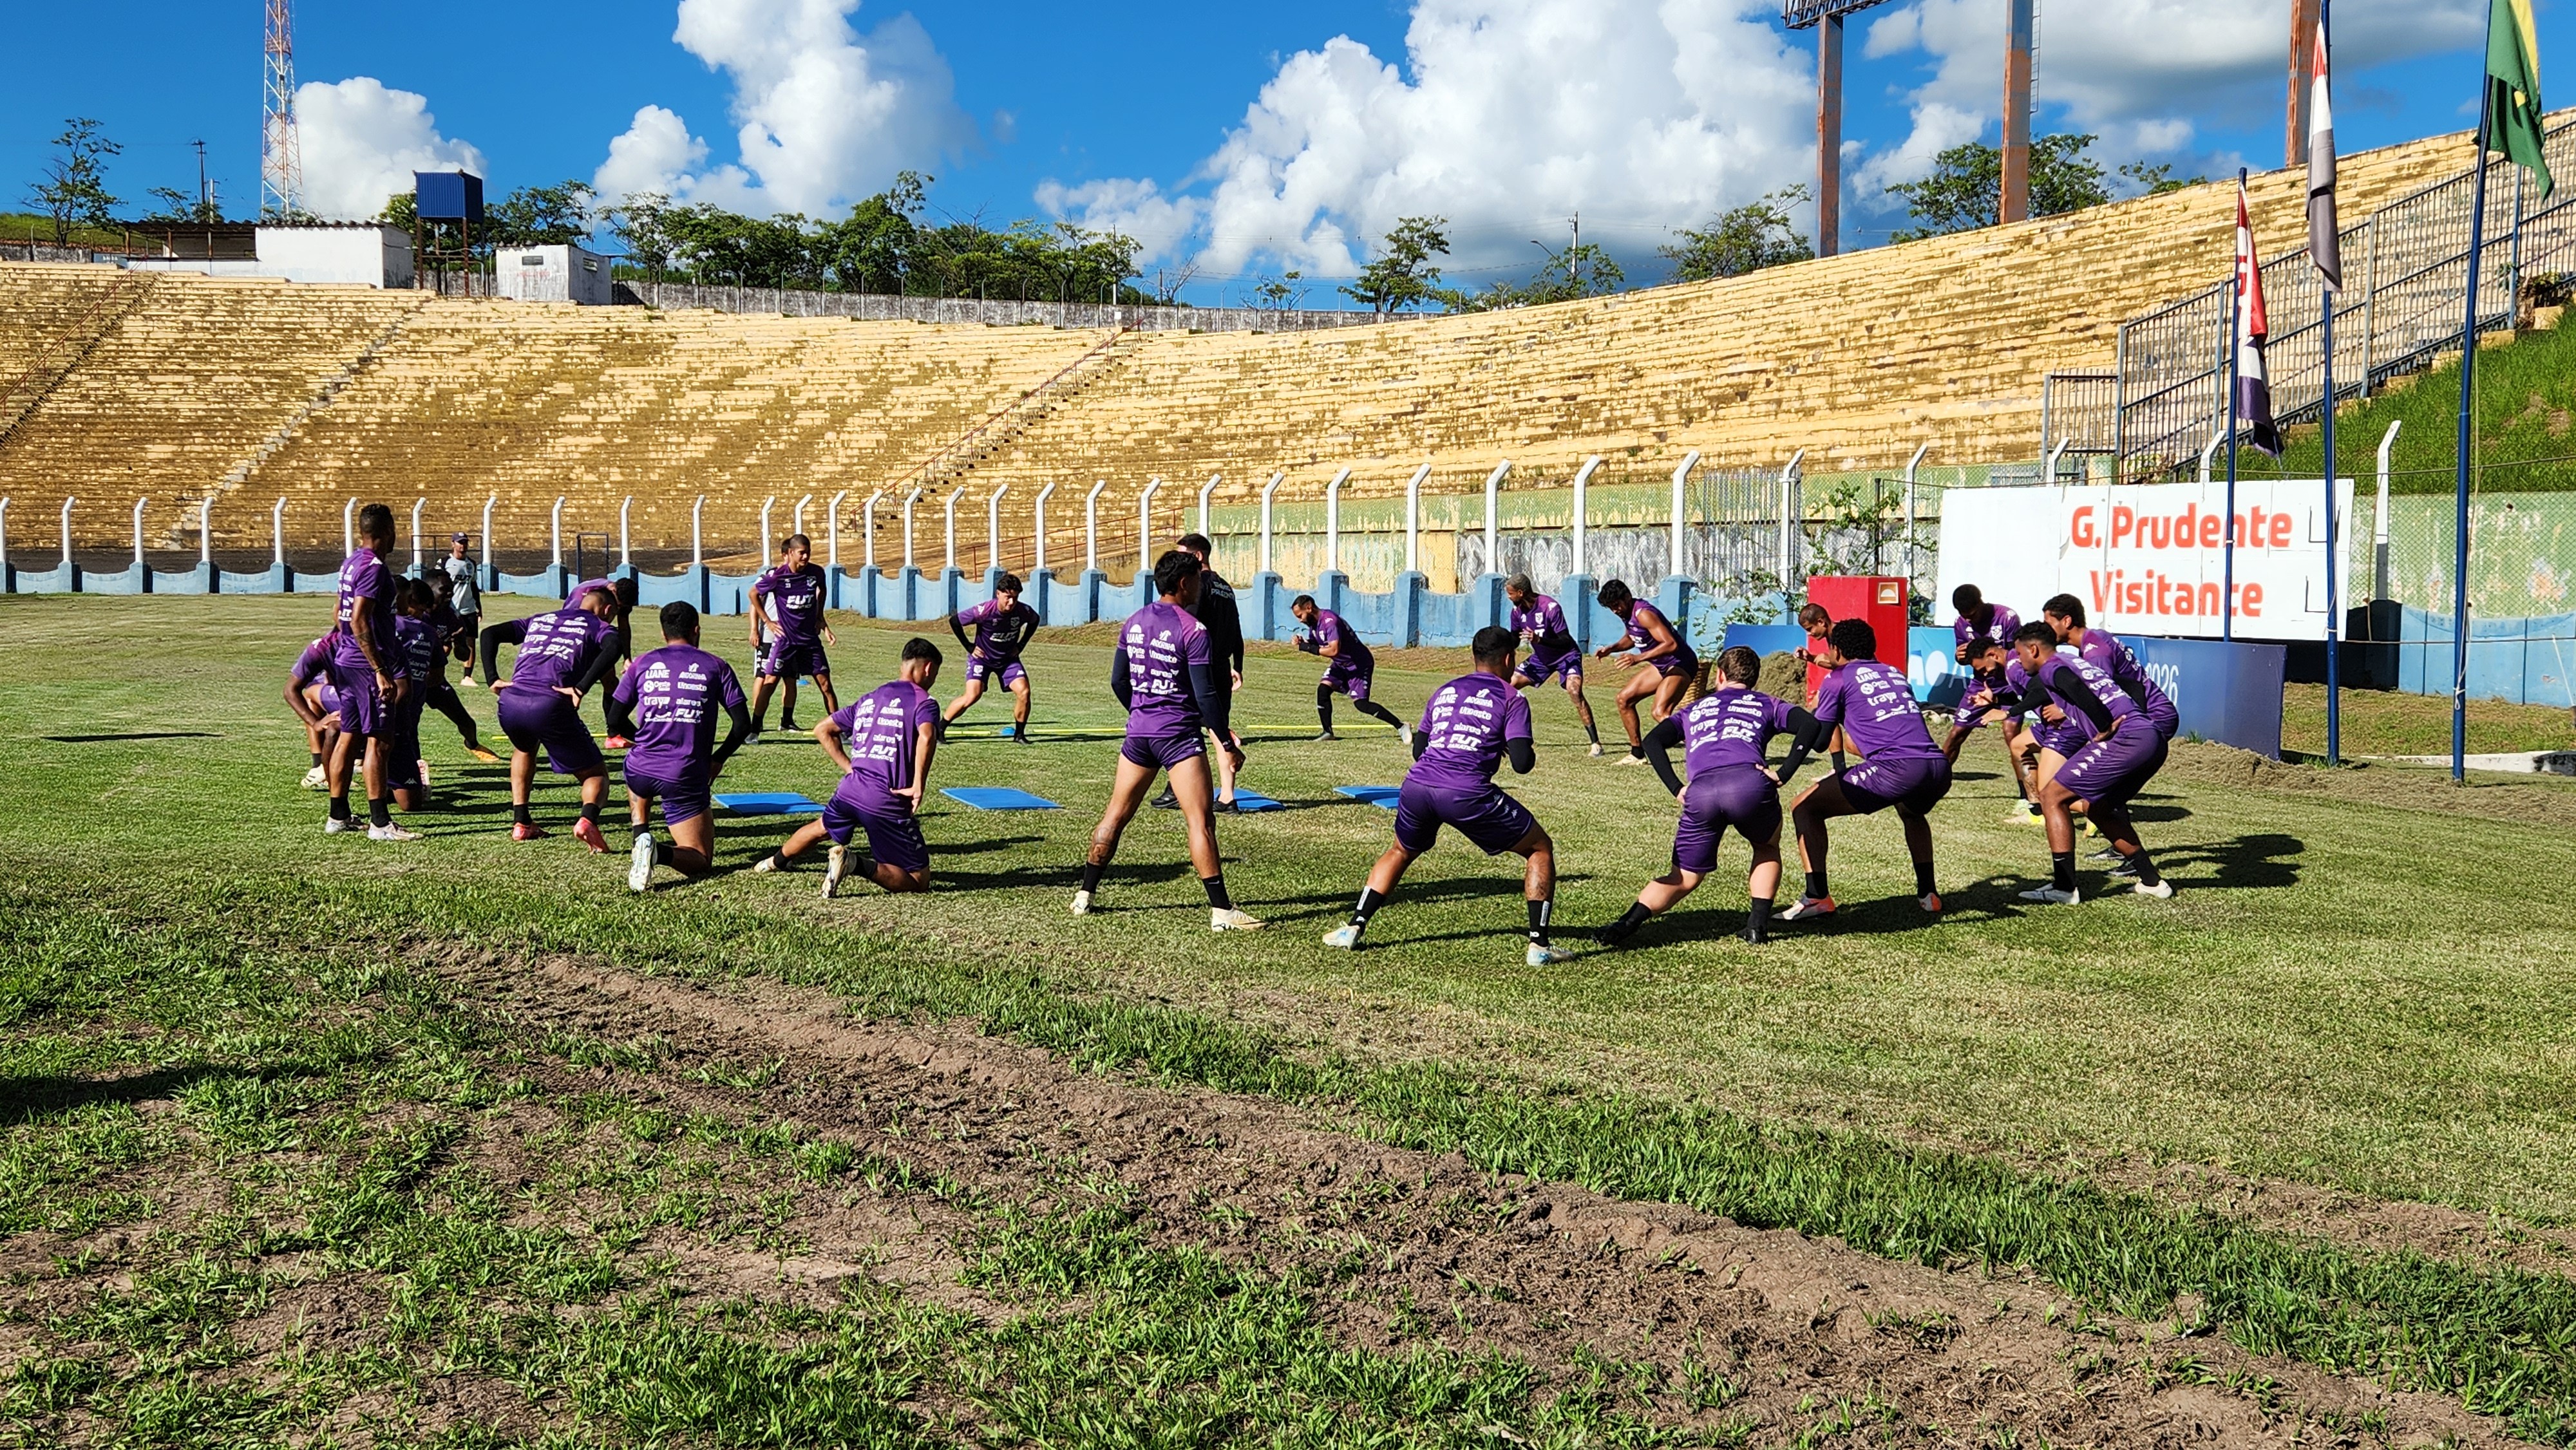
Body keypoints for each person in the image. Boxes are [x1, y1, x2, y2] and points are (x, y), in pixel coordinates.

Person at [1321, 626, 1564, 965]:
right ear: (1509, 659)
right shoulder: (1512, 697)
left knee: (1400, 850)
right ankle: (1539, 946)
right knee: (1539, 848)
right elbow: (1523, 764)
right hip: (1466, 791)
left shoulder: (1445, 690)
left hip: (1418, 786)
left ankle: (1353, 927)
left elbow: (1420, 748)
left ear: (1475, 657)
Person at [1074, 551, 1262, 929]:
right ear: (1183, 583)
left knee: (1115, 814)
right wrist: (1226, 742)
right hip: (1177, 736)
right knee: (1200, 821)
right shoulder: (1193, 629)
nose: (1199, 586)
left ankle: (1085, 895)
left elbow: (1118, 681)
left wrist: (1142, 710)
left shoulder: (1133, 622)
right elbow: (1206, 695)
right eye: (1196, 579)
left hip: (1139, 734)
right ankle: (1222, 911)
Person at [1598, 646, 1823, 948]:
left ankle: (1626, 924)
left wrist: (1677, 787)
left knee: (1684, 877)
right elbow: (1810, 725)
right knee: (1766, 847)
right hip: (1750, 785)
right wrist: (1783, 773)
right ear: (1754, 679)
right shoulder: (1766, 703)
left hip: (1701, 791)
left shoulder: (1695, 708)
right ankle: (1756, 927)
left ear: (1719, 675)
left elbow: (1653, 741)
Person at [1779, 618, 1951, 920]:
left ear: (1836, 650)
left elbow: (1820, 742)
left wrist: (1801, 719)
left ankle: (1817, 897)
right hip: (1937, 766)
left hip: (1898, 768)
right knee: (1911, 812)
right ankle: (1929, 894)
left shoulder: (1838, 678)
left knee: (1804, 807)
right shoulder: (1894, 673)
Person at [755, 639, 944, 896]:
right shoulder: (925, 702)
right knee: (918, 880)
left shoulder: (871, 697)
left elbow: (823, 729)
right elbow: (927, 736)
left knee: (821, 827)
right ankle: (854, 863)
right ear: (929, 668)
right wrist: (918, 785)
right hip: (886, 797)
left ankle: (772, 863)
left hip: (850, 790)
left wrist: (850, 768)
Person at [2009, 623, 2174, 903]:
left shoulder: (2052, 667)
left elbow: (2069, 684)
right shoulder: (2073, 660)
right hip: (2152, 739)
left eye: (2019, 654)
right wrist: (2010, 711)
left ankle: (2064, 888)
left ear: (2033, 649)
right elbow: (2128, 684)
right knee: (2098, 808)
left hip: (2127, 739)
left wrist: (2103, 726)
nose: (2019, 660)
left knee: (2051, 796)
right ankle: (2153, 882)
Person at [613, 601, 753, 891]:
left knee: (637, 763)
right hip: (683, 773)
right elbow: (742, 725)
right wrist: (719, 758)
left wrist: (643, 740)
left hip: (640, 770)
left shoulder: (642, 663)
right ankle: (655, 851)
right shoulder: (716, 665)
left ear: (663, 633)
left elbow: (614, 718)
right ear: (696, 630)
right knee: (701, 860)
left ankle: (640, 835)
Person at [481, 581, 624, 849]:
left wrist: (492, 678)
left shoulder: (542, 618)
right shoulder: (598, 626)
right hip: (551, 703)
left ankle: (522, 822)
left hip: (511, 701)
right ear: (606, 609)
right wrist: (581, 687)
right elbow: (614, 647)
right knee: (596, 774)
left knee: (524, 749)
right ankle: (587, 820)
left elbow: (489, 633)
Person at [323, 504, 414, 842]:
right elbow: (359, 619)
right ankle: (380, 823)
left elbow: (339, 612)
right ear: (387, 531)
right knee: (379, 741)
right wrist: (379, 668)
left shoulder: (351, 562)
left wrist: (346, 647)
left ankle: (338, 815)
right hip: (366, 665)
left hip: (347, 659)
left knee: (349, 736)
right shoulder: (375, 569)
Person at [1155, 532, 1250, 809]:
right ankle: (1228, 797)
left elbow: (1187, 623)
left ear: (1198, 556)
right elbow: (1237, 629)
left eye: (1183, 554)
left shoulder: (1198, 586)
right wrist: (1238, 665)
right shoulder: (1226, 587)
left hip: (1199, 667)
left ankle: (1176, 789)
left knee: (1185, 727)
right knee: (1216, 729)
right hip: (1221, 667)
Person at [1593, 579, 1698, 764]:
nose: (1615, 610)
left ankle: (1707, 745)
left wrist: (1638, 658)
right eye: (1611, 607)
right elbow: (1633, 638)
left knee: (1660, 711)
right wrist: (1612, 648)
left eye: (1616, 605)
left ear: (1627, 597)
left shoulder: (1644, 614)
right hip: (1662, 666)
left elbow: (1671, 644)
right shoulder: (1628, 614)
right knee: (1624, 699)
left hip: (1681, 663)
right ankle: (1637, 753)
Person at [1940, 636, 2039, 819]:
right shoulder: (2010, 666)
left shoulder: (2015, 668)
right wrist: (1995, 700)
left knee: (2058, 786)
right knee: (2020, 747)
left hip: (2063, 724)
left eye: (1984, 669)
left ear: (1993, 654)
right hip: (2057, 723)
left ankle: (2038, 805)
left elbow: (2039, 694)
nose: (1984, 674)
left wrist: (2007, 712)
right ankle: (2036, 808)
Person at [1503, 573, 1602, 756]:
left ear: (1520, 592)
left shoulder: (1550, 607)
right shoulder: (1517, 612)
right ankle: (1501, 737)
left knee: (1574, 691)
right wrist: (1502, 642)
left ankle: (1596, 744)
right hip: (1541, 658)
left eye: (1510, 593)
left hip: (1567, 656)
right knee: (1509, 686)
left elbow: (1565, 640)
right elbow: (1514, 638)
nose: (1508, 597)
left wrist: (1540, 640)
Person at [750, 534, 836, 738]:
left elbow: (822, 590)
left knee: (825, 684)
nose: (806, 557)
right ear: (790, 553)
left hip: (809, 640)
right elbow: (753, 594)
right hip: (785, 641)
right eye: (801, 553)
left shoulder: (816, 573)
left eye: (808, 552)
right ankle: (754, 730)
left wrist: (820, 617)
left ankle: (838, 730)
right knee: (769, 682)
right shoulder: (778, 576)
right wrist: (767, 622)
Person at [1291, 595, 1409, 742]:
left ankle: (1401, 726)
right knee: (1323, 689)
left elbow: (1334, 650)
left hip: (1359, 664)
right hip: (1341, 665)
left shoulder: (1330, 621)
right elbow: (1318, 643)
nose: (1300, 620)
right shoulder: (1314, 625)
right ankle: (1328, 733)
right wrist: (1305, 642)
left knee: (1361, 704)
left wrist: (1307, 648)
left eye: (1300, 615)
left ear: (1309, 608)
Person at [944, 572, 1041, 742]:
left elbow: (1035, 620)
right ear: (998, 594)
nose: (1012, 602)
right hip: (982, 659)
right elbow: (955, 621)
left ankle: (1019, 735)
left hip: (1008, 660)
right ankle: (940, 728)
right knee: (973, 695)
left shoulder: (1022, 611)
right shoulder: (984, 611)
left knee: (1024, 692)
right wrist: (969, 646)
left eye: (1015, 598)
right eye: (1008, 597)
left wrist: (1021, 644)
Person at [420, 568, 501, 762]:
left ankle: (473, 744)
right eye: (444, 589)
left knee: (466, 722)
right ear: (428, 589)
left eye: (451, 589)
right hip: (410, 679)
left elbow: (462, 654)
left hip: (434, 679)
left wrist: (459, 643)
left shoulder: (449, 615)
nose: (450, 593)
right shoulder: (416, 614)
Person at [383, 578, 446, 816]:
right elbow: (438, 676)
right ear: (409, 600)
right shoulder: (426, 632)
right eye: (420, 610)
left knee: (381, 748)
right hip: (406, 709)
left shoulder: (385, 626)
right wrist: (417, 682)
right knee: (403, 745)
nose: (422, 615)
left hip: (388, 706)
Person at [285, 636, 343, 791]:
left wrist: (316, 723)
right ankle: (321, 766)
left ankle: (319, 765)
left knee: (311, 694)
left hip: (356, 699)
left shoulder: (328, 643)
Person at [442, 534, 484, 685]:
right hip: (451, 610)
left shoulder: (471, 564)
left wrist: (479, 607)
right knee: (446, 643)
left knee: (470, 642)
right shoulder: (445, 562)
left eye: (465, 543)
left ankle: (467, 676)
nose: (463, 546)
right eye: (460, 543)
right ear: (453, 544)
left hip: (468, 609)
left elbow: (473, 586)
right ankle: (435, 670)